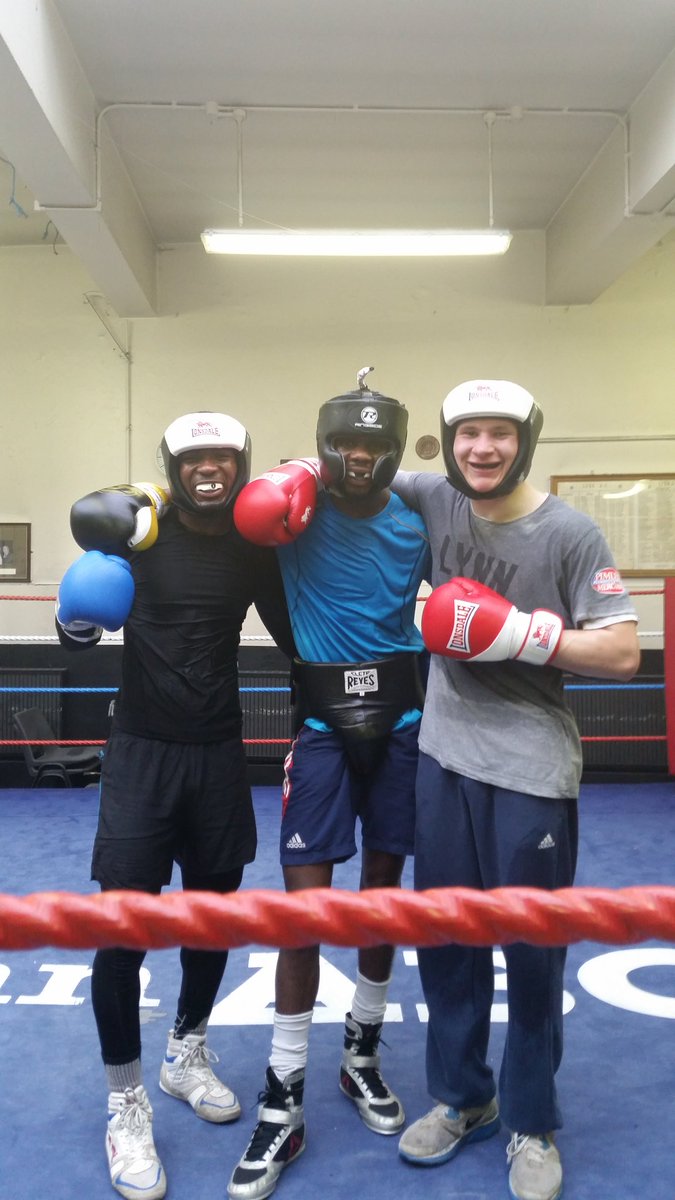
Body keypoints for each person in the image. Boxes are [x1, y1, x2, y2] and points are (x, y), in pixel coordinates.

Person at [391, 380, 640, 1200]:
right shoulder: (435, 498)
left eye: (499, 433)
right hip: (442, 760)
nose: (482, 448)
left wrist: (522, 634)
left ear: (523, 442)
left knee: (530, 953)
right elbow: (349, 470)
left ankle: (531, 1121)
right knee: (445, 943)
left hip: (530, 770)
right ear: (448, 442)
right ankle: (464, 1098)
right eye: (467, 433)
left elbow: (621, 652)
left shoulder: (568, 533)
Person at [55, 411, 296, 1200]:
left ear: (240, 465)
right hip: (141, 756)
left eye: (222, 456)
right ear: (172, 466)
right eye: (194, 458)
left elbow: (296, 638)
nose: (208, 468)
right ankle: (125, 1103)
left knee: (212, 917)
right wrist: (72, 613)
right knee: (122, 928)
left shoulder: (253, 548)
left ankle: (185, 1051)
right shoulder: (139, 533)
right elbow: (77, 633)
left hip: (217, 754)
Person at [226, 368, 431, 1200]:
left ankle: (360, 1055)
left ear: (394, 452)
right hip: (318, 733)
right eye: (343, 443)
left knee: (381, 897)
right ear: (323, 448)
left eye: (373, 445)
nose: (358, 456)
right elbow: (218, 503)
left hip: (403, 725)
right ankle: (282, 1101)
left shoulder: (417, 521)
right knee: (302, 913)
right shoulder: (291, 516)